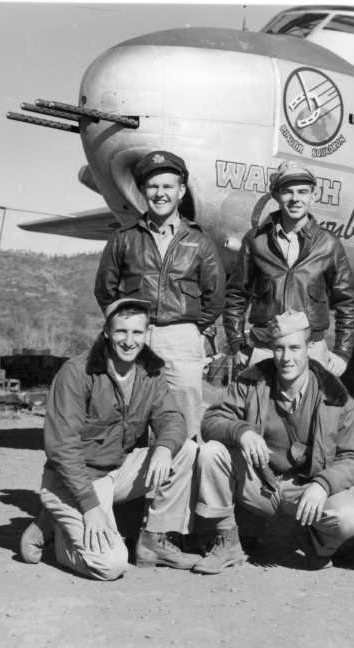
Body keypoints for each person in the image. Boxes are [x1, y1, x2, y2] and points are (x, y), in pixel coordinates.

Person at [19, 298, 201, 580]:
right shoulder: (76, 372)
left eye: (137, 333)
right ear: (106, 331)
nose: (129, 341)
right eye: (121, 332)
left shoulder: (150, 372)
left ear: (147, 333)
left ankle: (154, 539)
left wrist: (164, 448)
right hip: (76, 481)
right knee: (112, 565)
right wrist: (90, 506)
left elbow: (173, 418)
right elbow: (62, 448)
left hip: (119, 472)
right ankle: (57, 532)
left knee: (185, 449)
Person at [192, 310, 354, 574]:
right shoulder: (251, 382)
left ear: (309, 347)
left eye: (295, 348)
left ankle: (314, 540)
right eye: (279, 348)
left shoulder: (336, 396)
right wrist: (242, 431)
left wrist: (323, 484)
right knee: (211, 453)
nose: (287, 358)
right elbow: (211, 421)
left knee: (350, 517)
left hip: (309, 488)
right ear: (271, 349)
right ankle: (226, 537)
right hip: (261, 483)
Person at [94, 150, 225, 440]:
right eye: (153, 186)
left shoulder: (200, 241)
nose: (160, 193)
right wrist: (128, 327)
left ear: (181, 191)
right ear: (142, 191)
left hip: (182, 339)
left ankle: (183, 483)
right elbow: (105, 290)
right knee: (129, 422)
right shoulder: (123, 238)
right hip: (134, 340)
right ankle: (131, 483)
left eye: (168, 186)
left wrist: (190, 329)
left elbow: (214, 297)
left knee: (185, 422)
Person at [223, 160, 354, 377]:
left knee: (310, 410)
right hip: (265, 349)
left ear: (313, 196)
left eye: (303, 191)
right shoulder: (256, 240)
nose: (296, 199)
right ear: (276, 196)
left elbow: (347, 303)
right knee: (257, 410)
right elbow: (236, 295)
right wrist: (237, 343)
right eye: (288, 192)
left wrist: (342, 352)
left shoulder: (329, 244)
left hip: (312, 351)